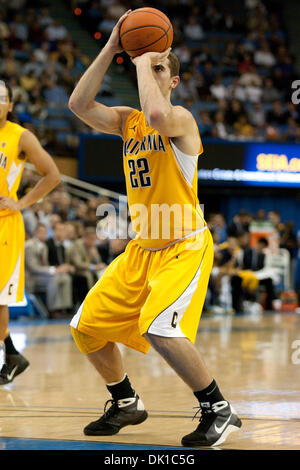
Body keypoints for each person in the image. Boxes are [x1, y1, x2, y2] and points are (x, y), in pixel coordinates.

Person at [68, 11, 241, 447]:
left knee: (159, 327)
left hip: (183, 246)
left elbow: (158, 114)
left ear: (174, 80)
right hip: (142, 251)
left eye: (161, 67)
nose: (149, 67)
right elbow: (78, 106)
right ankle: (126, 401)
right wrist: (112, 48)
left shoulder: (180, 118)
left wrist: (143, 58)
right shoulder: (129, 121)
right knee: (86, 326)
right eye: (148, 64)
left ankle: (218, 409)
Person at [0, 80, 61, 385]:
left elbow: (53, 175)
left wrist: (21, 202)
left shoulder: (20, 137)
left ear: (10, 105)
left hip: (4, 225)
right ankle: (11, 353)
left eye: (2, 99)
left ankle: (11, 353)